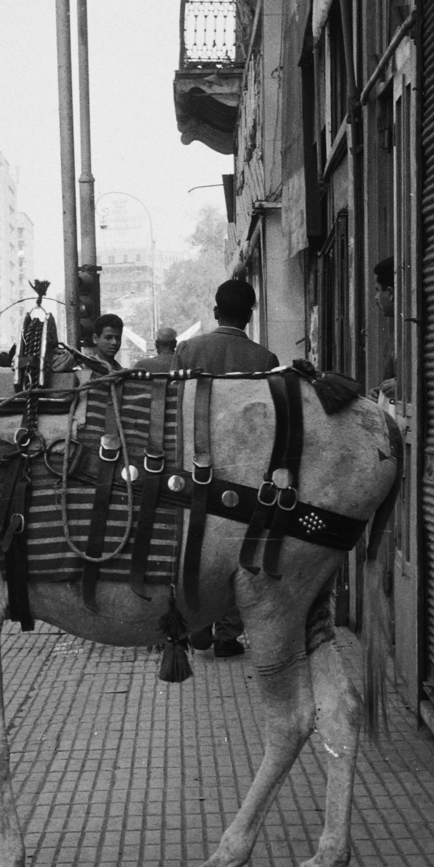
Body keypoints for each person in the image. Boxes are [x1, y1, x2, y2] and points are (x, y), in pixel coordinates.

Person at [173, 279, 280, 658]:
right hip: (243, 473)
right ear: (250, 315)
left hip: (191, 468)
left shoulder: (187, 351)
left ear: (216, 311)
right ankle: (227, 633)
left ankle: (196, 622)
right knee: (238, 549)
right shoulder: (264, 360)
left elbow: (173, 413)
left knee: (192, 547)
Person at [374, 256, 397, 399]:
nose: (376, 297)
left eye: (377, 290)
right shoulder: (393, 338)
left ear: (391, 293)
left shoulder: (414, 332)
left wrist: (404, 385)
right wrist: (377, 393)